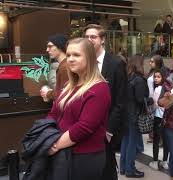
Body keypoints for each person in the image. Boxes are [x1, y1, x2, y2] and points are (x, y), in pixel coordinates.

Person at [47, 38, 111, 180]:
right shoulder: (69, 86)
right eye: (68, 55)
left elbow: (84, 127)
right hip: (63, 154)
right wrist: (47, 139)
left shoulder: (99, 88)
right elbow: (53, 114)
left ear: (89, 58)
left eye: (76, 55)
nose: (70, 59)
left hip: (84, 157)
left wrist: (55, 145)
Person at [83, 24, 128, 180]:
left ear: (102, 40)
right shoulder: (84, 63)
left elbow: (121, 100)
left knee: (107, 169)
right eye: (86, 37)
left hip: (106, 129)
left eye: (93, 37)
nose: (89, 40)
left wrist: (109, 130)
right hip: (86, 127)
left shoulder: (116, 63)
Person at [120, 54, 150, 178]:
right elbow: (140, 99)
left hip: (125, 115)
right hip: (134, 115)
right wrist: (151, 100)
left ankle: (123, 167)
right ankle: (130, 169)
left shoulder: (127, 77)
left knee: (126, 141)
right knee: (131, 143)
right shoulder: (139, 79)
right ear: (139, 64)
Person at [148, 69, 169, 170]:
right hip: (167, 117)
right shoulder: (168, 88)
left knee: (156, 140)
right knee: (166, 141)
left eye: (158, 77)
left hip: (158, 117)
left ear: (163, 77)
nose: (156, 79)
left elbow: (155, 105)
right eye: (155, 77)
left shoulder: (157, 89)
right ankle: (165, 161)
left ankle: (155, 161)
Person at [40, 34, 68, 101]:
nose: (47, 50)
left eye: (50, 46)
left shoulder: (65, 67)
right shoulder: (63, 65)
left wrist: (48, 93)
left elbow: (65, 94)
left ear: (60, 46)